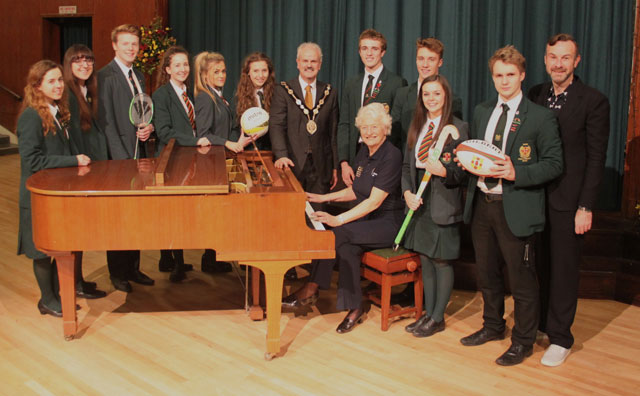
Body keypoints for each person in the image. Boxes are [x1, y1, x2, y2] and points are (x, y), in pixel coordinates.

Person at [458, 45, 563, 366]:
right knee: (487, 273)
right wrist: (467, 163)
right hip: (481, 205)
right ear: (492, 77)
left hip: (516, 207)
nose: (504, 81)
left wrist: (517, 172)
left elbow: (554, 164)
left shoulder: (541, 117)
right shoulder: (481, 110)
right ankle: (492, 326)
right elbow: (478, 153)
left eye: (510, 75)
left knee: (521, 278)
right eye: (499, 76)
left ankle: (523, 340)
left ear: (522, 75)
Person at [281, 103, 404, 334]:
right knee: (347, 249)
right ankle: (355, 307)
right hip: (367, 222)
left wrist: (339, 220)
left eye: (374, 127)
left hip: (388, 224)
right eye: (364, 128)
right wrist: (322, 196)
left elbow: (374, 201)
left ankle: (311, 288)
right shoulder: (364, 153)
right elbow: (356, 191)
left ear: (385, 128)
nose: (369, 132)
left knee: (336, 233)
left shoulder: (392, 155)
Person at [528, 33, 610, 367]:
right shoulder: (535, 94)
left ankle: (561, 337)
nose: (558, 63)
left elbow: (595, 158)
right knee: (538, 266)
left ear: (576, 61)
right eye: (552, 57)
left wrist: (586, 206)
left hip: (570, 202)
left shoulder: (594, 101)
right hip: (534, 198)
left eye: (565, 57)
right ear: (545, 59)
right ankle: (543, 325)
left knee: (563, 270)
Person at [17, 60, 92, 316]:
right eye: (51, 81)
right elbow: (32, 160)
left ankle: (57, 296)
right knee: (41, 250)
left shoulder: (57, 110)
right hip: (39, 195)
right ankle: (47, 299)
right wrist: (74, 160)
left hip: (58, 192)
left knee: (61, 244)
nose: (58, 85)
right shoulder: (31, 115)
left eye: (60, 80)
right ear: (37, 86)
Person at [401, 75, 468, 337]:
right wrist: (406, 193)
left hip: (444, 204)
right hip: (419, 203)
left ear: (446, 96)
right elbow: (407, 166)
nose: (431, 99)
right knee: (425, 260)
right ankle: (427, 314)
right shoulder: (417, 126)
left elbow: (463, 173)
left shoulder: (458, 128)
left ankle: (438, 317)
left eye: (436, 94)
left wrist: (444, 171)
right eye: (426, 94)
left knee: (441, 261)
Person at [98, 24, 155, 292]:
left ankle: (133, 268)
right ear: (114, 45)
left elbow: (142, 112)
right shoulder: (105, 76)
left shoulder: (139, 76)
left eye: (134, 44)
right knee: (119, 217)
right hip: (119, 160)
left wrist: (148, 128)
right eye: (125, 43)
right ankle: (118, 272)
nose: (131, 48)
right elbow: (107, 123)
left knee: (138, 215)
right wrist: (123, 160)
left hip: (140, 154)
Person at [152, 45, 211, 282]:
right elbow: (165, 131)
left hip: (192, 158)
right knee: (173, 213)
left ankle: (172, 259)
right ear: (167, 69)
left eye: (185, 64)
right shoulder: (161, 95)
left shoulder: (193, 93)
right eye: (177, 65)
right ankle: (174, 262)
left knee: (185, 212)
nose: (182, 69)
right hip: (172, 159)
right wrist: (196, 141)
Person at [194, 51, 252, 273]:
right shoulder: (204, 97)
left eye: (223, 71)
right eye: (215, 72)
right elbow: (204, 134)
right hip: (213, 163)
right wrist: (228, 143)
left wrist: (239, 138)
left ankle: (215, 258)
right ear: (205, 75)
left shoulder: (218, 95)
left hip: (223, 159)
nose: (221, 75)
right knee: (217, 212)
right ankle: (211, 260)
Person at [61, 44, 109, 300]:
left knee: (80, 231)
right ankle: (73, 284)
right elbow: (72, 137)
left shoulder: (87, 90)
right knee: (73, 232)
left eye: (88, 61)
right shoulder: (68, 94)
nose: (84, 65)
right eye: (78, 61)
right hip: (76, 170)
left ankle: (78, 280)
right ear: (69, 65)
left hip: (89, 166)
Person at [338, 29, 407, 187]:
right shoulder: (351, 83)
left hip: (382, 157)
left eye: (374, 49)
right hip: (355, 155)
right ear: (359, 51)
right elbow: (344, 124)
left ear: (383, 52)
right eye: (364, 48)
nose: (369, 53)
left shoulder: (396, 83)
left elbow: (396, 126)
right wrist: (344, 162)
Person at [391, 38, 463, 152]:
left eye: (431, 59)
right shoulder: (402, 95)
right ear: (416, 60)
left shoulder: (453, 100)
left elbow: (453, 139)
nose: (425, 64)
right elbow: (394, 137)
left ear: (440, 62)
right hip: (406, 166)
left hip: (437, 166)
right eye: (421, 59)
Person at [234, 52, 276, 150]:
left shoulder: (277, 94)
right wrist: (239, 143)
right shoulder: (239, 96)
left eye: (264, 70)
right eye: (256, 71)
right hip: (249, 151)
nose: (260, 75)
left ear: (269, 72)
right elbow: (235, 128)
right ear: (248, 72)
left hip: (272, 152)